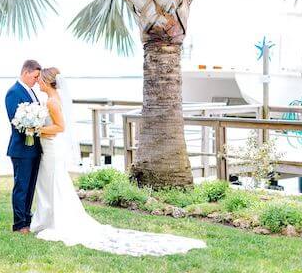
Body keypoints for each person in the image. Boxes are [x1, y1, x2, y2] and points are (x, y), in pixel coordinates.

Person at [30, 67, 207, 257]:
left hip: (51, 148)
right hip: (50, 148)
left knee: (54, 184)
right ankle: (49, 219)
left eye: (40, 79)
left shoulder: (52, 101)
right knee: (51, 184)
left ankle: (55, 221)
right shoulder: (52, 98)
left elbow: (60, 127)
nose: (38, 81)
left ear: (48, 81)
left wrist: (37, 129)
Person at [4, 59, 43, 234]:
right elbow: (15, 121)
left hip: (34, 147)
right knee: (21, 186)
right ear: (25, 73)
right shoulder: (13, 92)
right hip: (21, 148)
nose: (36, 80)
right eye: (34, 77)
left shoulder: (31, 92)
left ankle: (27, 217)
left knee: (30, 186)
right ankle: (19, 224)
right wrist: (32, 126)